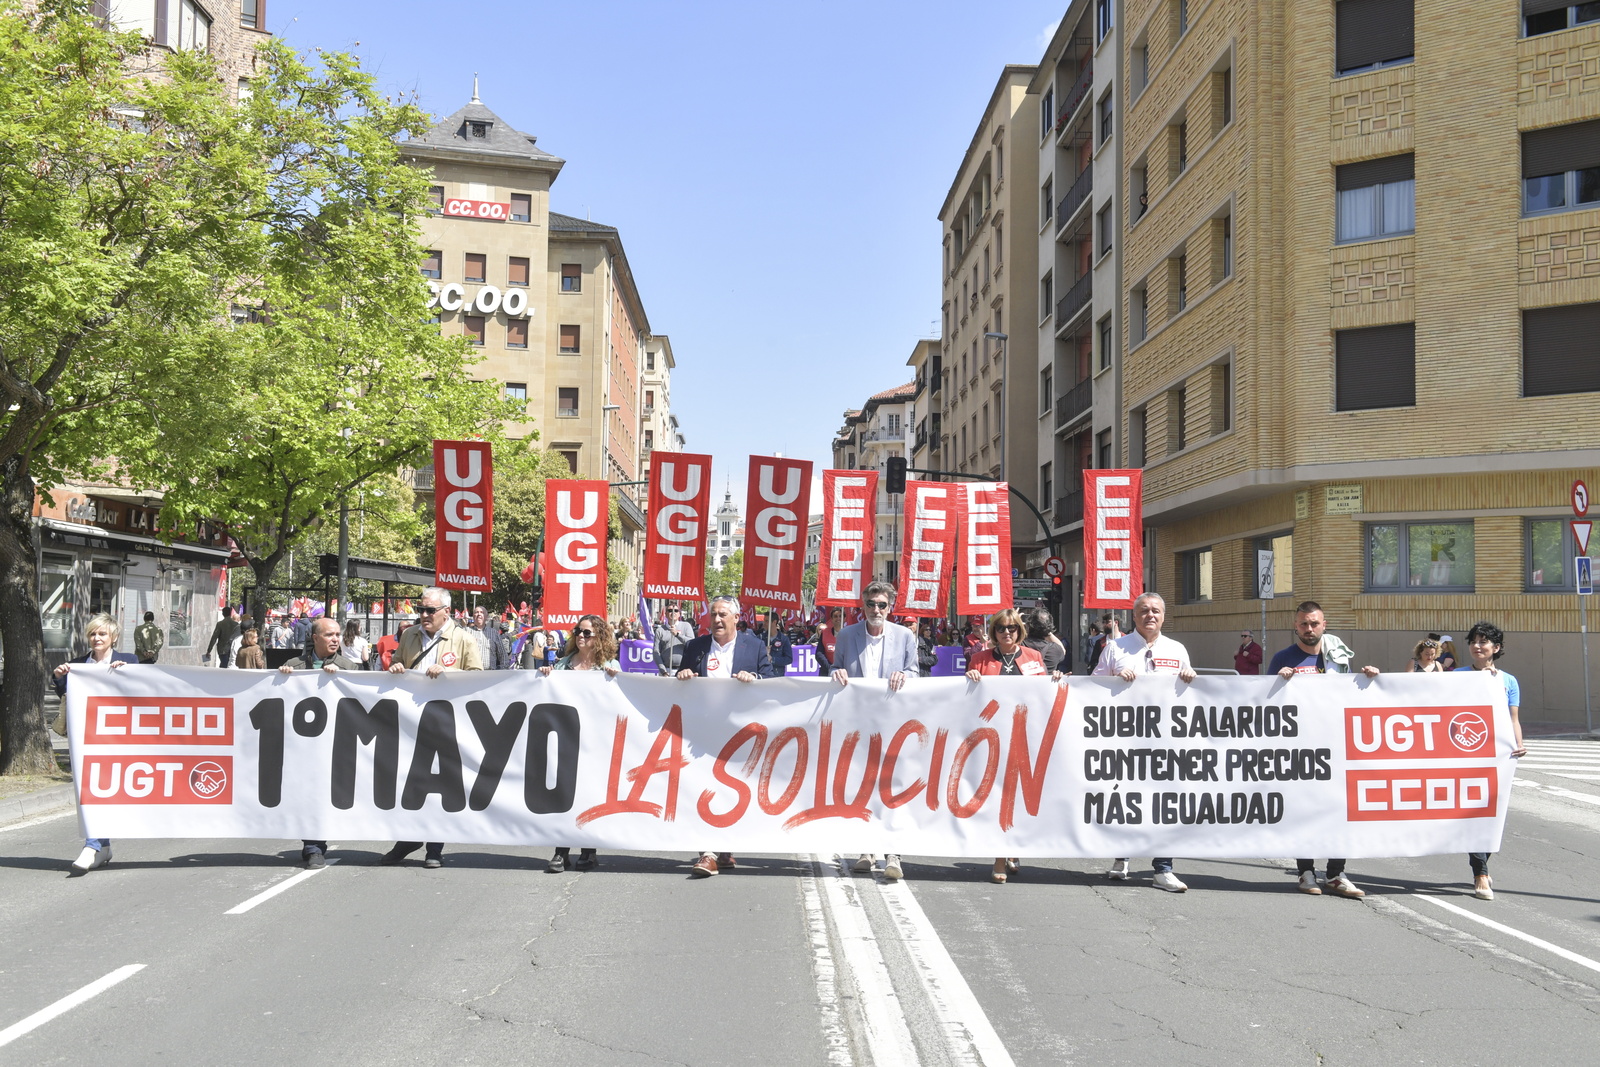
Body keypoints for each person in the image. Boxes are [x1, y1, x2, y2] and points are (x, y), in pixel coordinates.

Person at [1268, 600, 1378, 899]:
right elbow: (1263, 704)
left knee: (1339, 809)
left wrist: (1367, 680)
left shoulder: (1338, 659)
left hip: (1335, 747)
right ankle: (1305, 871)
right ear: (1296, 626)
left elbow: (1348, 698)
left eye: (1314, 623)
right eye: (1303, 623)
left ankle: (1335, 873)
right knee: (1305, 811)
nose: (1309, 629)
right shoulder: (1283, 658)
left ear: (1324, 625)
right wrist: (1279, 684)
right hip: (1299, 750)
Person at [1094, 592, 1196, 892]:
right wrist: (1113, 680)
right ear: (1134, 616)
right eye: (1143, 611)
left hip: (1167, 741)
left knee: (1166, 803)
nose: (1150, 615)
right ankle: (1121, 857)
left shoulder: (1177, 649)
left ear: (1163, 616)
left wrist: (1190, 676)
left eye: (1155, 611)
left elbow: (1191, 695)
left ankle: (1163, 868)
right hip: (1126, 741)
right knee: (1126, 800)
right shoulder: (1116, 648)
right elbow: (1093, 686)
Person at [382, 587, 484, 869]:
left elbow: (477, 678)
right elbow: (400, 662)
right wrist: (396, 667)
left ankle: (434, 847)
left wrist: (449, 673)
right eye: (421, 609)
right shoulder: (409, 635)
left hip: (445, 722)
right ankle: (409, 837)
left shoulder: (463, 639)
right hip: (411, 721)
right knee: (408, 780)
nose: (424, 615)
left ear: (446, 612)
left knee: (439, 783)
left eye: (430, 610)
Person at [965, 608, 1065, 883]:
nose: (1006, 633)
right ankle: (999, 856)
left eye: (1011, 628)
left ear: (1020, 631)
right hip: (992, 739)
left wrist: (1054, 680)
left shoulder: (1033, 657)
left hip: (1025, 737)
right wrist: (970, 678)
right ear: (994, 632)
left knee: (1019, 797)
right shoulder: (979, 659)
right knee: (999, 797)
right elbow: (967, 702)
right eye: (1001, 629)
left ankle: (1012, 846)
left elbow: (1042, 692)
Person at [676, 596, 774, 877]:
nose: (717, 620)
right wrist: (682, 674)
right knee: (703, 788)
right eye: (714, 615)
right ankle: (707, 853)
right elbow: (678, 684)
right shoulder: (696, 646)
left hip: (739, 733)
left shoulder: (753, 646)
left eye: (723, 615)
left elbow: (771, 680)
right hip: (703, 735)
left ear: (735, 618)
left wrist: (754, 677)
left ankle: (726, 848)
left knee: (731, 789)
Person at [831, 582, 920, 880]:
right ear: (863, 606)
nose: (876, 610)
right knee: (862, 785)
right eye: (871, 604)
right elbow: (835, 670)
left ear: (890, 607)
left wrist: (904, 675)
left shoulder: (905, 636)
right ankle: (866, 850)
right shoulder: (846, 636)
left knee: (892, 787)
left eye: (882, 605)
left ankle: (893, 853)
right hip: (857, 726)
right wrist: (836, 672)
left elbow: (915, 672)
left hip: (893, 724)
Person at [54, 613, 136, 875]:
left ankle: (96, 847)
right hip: (88, 738)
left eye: (101, 634)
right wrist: (59, 676)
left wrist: (129, 674)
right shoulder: (79, 664)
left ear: (113, 637)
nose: (96, 638)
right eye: (92, 634)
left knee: (107, 788)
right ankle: (99, 847)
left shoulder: (130, 660)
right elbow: (66, 693)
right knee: (93, 788)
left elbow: (144, 691)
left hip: (119, 738)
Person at [278, 617, 364, 867]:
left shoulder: (349, 667)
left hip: (337, 746)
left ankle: (318, 843)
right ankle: (313, 846)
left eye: (337, 634)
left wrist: (340, 681)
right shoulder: (294, 665)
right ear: (315, 638)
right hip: (303, 747)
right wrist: (283, 677)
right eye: (329, 635)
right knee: (308, 795)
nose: (336, 639)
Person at [539, 614, 622, 873]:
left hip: (596, 741)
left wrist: (617, 678)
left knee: (589, 794)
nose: (581, 636)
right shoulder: (563, 665)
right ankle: (561, 850)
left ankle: (588, 850)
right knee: (564, 794)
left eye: (587, 632)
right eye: (578, 631)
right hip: (566, 738)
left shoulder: (609, 665)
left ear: (599, 637)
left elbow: (620, 700)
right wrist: (545, 675)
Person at [1455, 620, 1525, 900]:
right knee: (1473, 812)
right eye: (1473, 641)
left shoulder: (1508, 681)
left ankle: (1482, 865)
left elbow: (1513, 718)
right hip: (1463, 755)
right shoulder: (1457, 675)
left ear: (1496, 648)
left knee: (1491, 813)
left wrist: (1518, 743)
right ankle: (1480, 873)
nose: (1476, 646)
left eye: (1483, 642)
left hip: (1495, 757)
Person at [653, 604, 696, 676]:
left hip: (683, 670)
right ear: (666, 614)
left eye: (676, 610)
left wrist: (677, 635)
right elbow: (656, 652)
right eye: (670, 611)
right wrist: (663, 670)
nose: (673, 613)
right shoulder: (660, 630)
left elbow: (692, 644)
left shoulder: (686, 626)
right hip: (666, 670)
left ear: (679, 614)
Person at [1022, 607, 1065, 674]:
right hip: (1046, 683)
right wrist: (1047, 630)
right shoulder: (1055, 649)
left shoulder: (1019, 645)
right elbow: (1063, 650)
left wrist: (1017, 625)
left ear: (1029, 625)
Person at [467, 604, 508, 670]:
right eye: (476, 612)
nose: (479, 614)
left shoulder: (494, 633)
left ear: (486, 617)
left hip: (490, 674)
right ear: (473, 616)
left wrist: (502, 671)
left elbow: (503, 656)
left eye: (482, 612)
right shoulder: (467, 632)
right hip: (472, 674)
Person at [814, 607, 843, 676]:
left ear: (844, 619)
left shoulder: (850, 634)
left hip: (844, 672)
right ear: (832, 619)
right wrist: (831, 669)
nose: (838, 618)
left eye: (840, 616)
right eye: (835, 616)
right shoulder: (824, 633)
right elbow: (819, 654)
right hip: (827, 671)